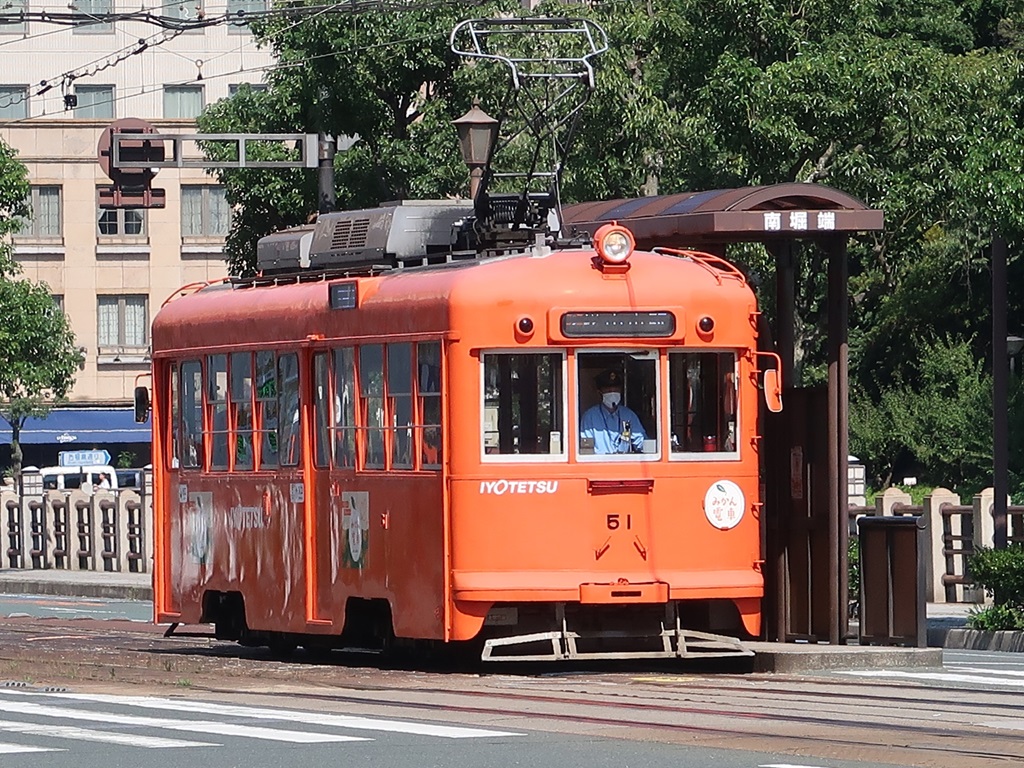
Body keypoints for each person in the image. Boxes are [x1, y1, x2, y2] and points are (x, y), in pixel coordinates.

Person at [580, 369, 647, 454]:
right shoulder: (589, 417)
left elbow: (641, 441)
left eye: (616, 390)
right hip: (599, 461)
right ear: (600, 393)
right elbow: (586, 447)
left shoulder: (629, 415)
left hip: (624, 461)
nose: (612, 393)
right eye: (608, 391)